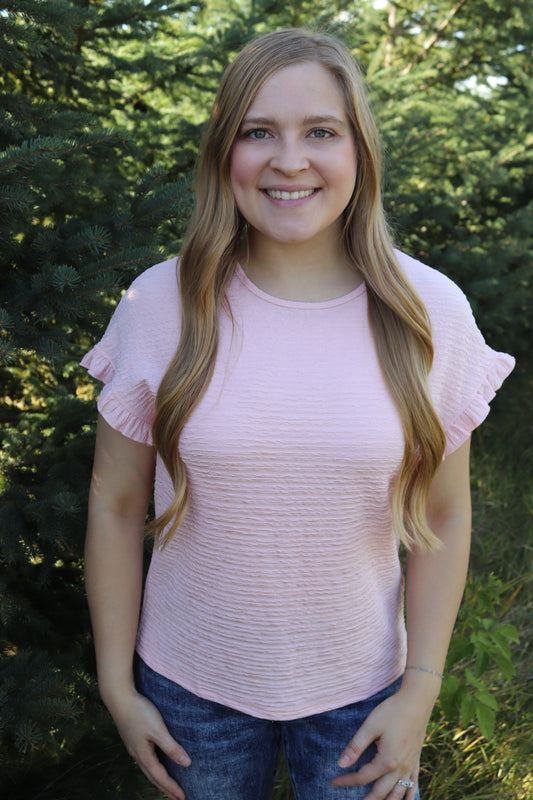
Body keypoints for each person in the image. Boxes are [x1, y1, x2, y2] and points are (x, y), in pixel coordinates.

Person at [82, 28, 515, 800]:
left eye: (320, 131)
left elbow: (443, 516)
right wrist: (118, 686)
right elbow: (115, 506)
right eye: (258, 132)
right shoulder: (160, 305)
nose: (289, 160)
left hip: (364, 689)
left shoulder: (428, 312)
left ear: (359, 152)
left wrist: (419, 688)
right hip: (191, 689)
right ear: (225, 154)